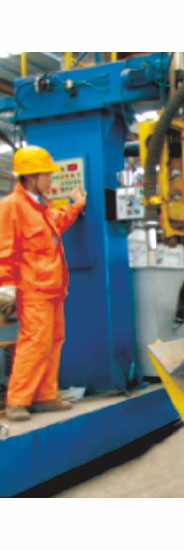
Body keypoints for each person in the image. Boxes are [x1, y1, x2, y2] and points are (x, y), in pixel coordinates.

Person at [0, 145, 87, 421]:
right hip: (33, 289)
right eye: (47, 175)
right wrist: (6, 285)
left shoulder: (42, 205)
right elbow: (5, 249)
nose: (51, 179)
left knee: (53, 341)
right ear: (31, 177)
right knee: (35, 342)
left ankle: (44, 396)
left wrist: (76, 206)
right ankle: (17, 401)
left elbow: (57, 224)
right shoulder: (11, 206)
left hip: (53, 287)